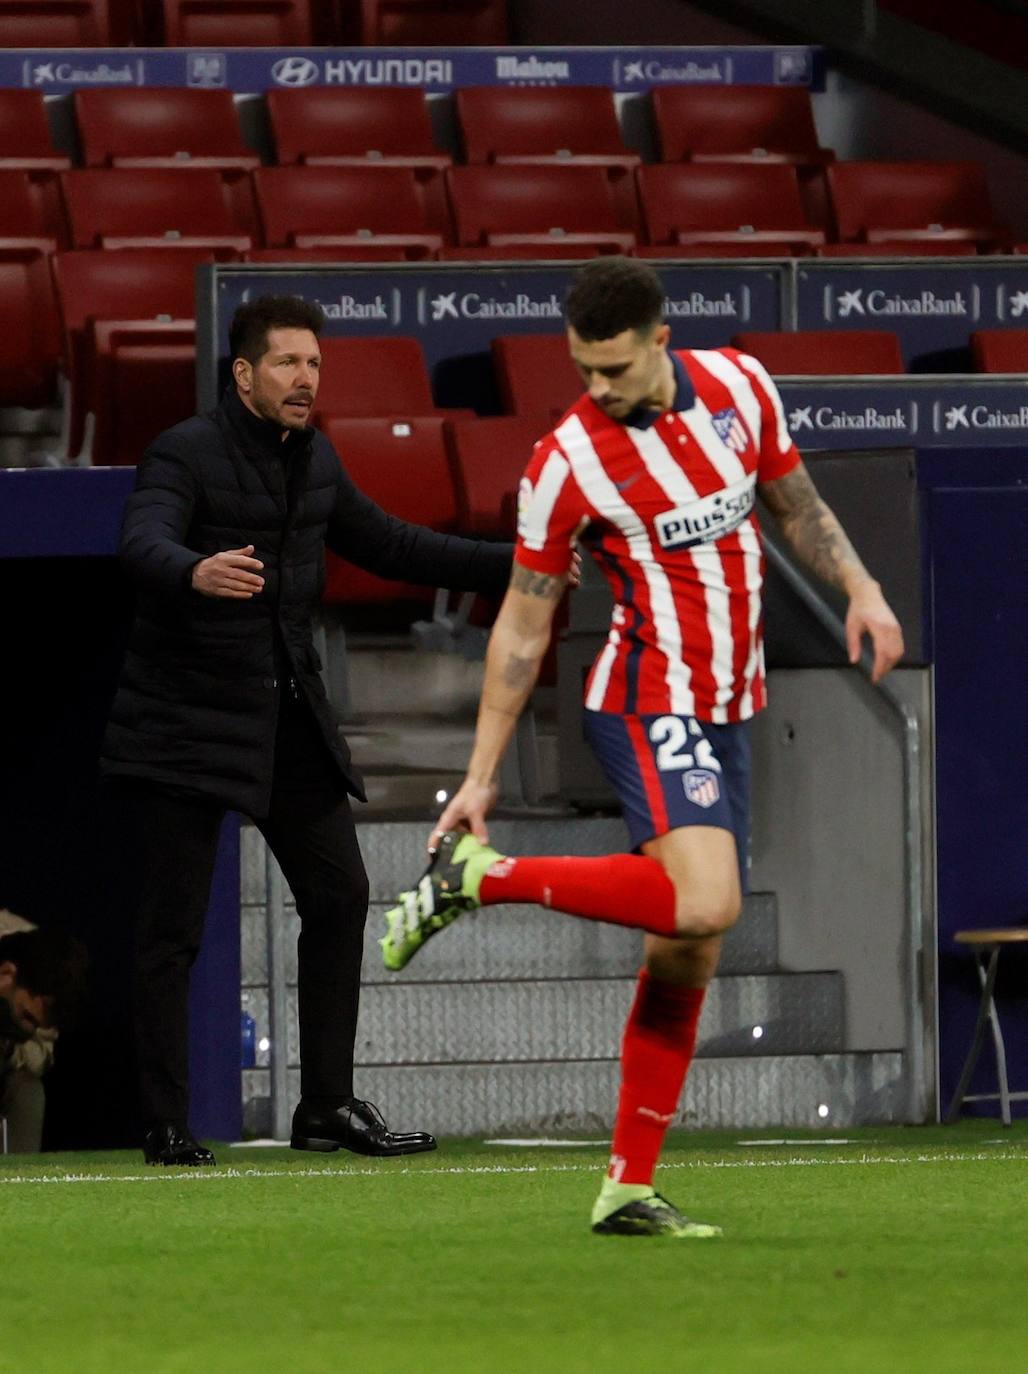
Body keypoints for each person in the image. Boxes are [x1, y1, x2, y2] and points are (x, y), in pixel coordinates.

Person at [382, 256, 904, 1237]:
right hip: (642, 695)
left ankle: (626, 1186)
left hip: (725, 704)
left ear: (662, 341)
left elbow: (794, 504)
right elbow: (522, 626)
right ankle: (479, 877)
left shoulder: (742, 387)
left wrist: (862, 590)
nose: (596, 388)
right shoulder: (566, 462)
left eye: (612, 369)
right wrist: (478, 779)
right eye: (581, 368)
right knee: (708, 900)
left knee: (686, 946)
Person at [102, 294, 514, 1167]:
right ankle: (165, 1121)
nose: (305, 380)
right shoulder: (186, 451)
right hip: (189, 720)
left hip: (287, 715)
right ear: (244, 374)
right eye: (287, 363)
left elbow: (393, 545)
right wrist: (193, 571)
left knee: (339, 895)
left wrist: (523, 565)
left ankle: (325, 1105)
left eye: (315, 364)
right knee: (171, 931)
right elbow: (140, 542)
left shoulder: (315, 457)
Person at [0, 918, 88, 1153]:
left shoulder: (46, 957)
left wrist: (8, 1051)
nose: (28, 1029)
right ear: (6, 973)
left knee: (28, 1091)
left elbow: (41, 1052)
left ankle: (19, 1183)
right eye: (26, 1016)